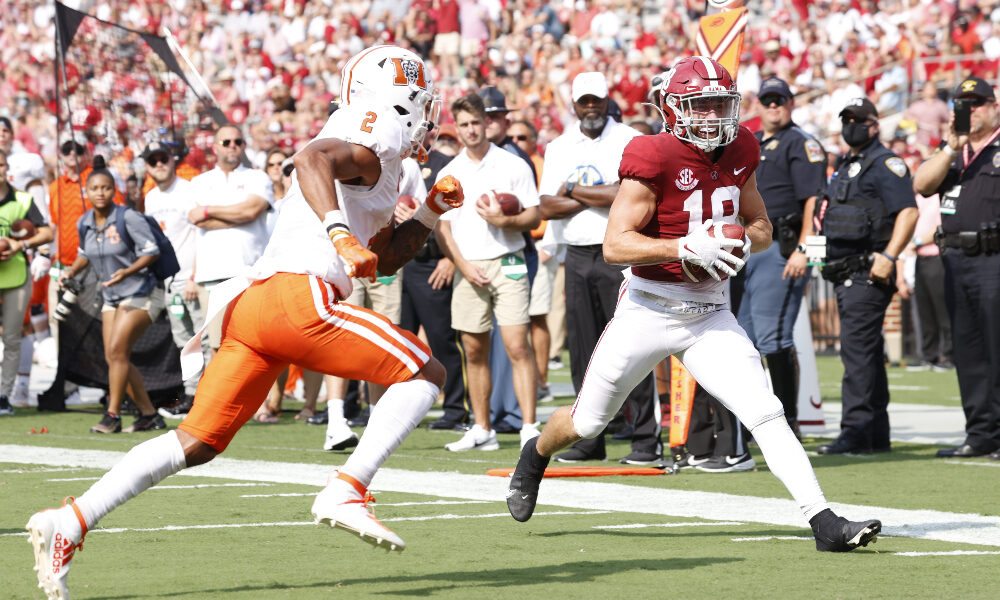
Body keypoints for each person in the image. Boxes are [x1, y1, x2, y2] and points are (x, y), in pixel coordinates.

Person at [27, 46, 464, 599]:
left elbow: (388, 258)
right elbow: (310, 160)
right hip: (296, 297)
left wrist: (429, 212)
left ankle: (69, 521)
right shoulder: (369, 135)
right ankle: (348, 487)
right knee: (426, 373)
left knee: (197, 442)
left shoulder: (388, 162)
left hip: (257, 307)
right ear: (394, 100)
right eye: (420, 103)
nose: (426, 116)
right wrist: (337, 234)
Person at [506, 57, 882, 553]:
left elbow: (761, 225)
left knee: (766, 412)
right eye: (699, 105)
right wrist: (684, 247)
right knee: (588, 422)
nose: (710, 116)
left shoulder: (743, 145)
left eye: (719, 105)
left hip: (708, 312)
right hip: (647, 306)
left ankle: (823, 521)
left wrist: (743, 244)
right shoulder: (652, 154)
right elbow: (615, 245)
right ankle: (534, 456)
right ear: (672, 109)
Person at [538, 71, 660, 465]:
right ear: (573, 104)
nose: (590, 107)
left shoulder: (628, 139)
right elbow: (545, 206)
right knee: (583, 351)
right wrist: (599, 194)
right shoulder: (558, 145)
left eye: (596, 100)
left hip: (619, 253)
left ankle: (645, 439)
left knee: (633, 347)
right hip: (576, 253)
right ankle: (588, 436)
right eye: (584, 101)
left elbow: (626, 195)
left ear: (608, 100)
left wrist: (572, 190)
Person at [435, 92, 542, 451]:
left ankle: (529, 425)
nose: (470, 131)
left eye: (475, 123)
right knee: (473, 350)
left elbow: (534, 214)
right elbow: (443, 227)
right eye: (463, 125)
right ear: (457, 128)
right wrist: (463, 266)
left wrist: (505, 218)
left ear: (486, 123)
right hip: (469, 266)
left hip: (508, 261)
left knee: (517, 345)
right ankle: (483, 428)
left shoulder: (512, 164)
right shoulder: (450, 172)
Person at [814, 98, 917, 455]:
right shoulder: (846, 164)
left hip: (867, 271)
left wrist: (890, 256)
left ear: (875, 125)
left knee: (856, 352)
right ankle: (876, 433)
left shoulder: (885, 164)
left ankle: (855, 430)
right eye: (847, 119)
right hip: (846, 271)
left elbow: (908, 212)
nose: (851, 125)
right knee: (867, 353)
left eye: (858, 119)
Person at [736, 77, 828, 439]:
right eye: (768, 100)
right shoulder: (751, 141)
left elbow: (818, 202)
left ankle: (788, 423)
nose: (774, 106)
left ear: (791, 103)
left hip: (785, 248)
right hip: (749, 248)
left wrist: (810, 253)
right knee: (745, 339)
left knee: (775, 338)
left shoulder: (803, 144)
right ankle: (756, 422)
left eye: (781, 100)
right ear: (758, 103)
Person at [913, 77, 1000, 460]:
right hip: (957, 261)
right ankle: (980, 433)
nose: (971, 109)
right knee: (969, 351)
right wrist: (951, 146)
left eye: (978, 102)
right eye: (963, 103)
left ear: (994, 106)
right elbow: (922, 183)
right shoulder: (954, 153)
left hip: (994, 259)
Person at [59, 156, 168, 434]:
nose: (100, 193)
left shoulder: (128, 217)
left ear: (113, 190)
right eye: (94, 188)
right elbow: (84, 254)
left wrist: (127, 272)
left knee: (117, 351)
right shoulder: (84, 222)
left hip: (142, 291)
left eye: (106, 188)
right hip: (112, 297)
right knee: (114, 356)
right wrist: (70, 272)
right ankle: (149, 415)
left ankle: (113, 414)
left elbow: (151, 251)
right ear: (87, 191)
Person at [401, 124, 470, 431]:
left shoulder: (445, 164)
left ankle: (457, 409)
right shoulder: (391, 160)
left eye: (427, 128)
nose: (420, 133)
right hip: (399, 262)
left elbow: (460, 217)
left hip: (432, 261)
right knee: (398, 338)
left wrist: (449, 258)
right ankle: (396, 407)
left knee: (443, 338)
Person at [188, 124, 274, 359]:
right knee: (218, 347)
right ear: (215, 147)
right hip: (212, 272)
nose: (232, 146)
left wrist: (209, 209)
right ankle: (224, 397)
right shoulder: (199, 182)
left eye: (237, 142)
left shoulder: (258, 176)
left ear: (244, 145)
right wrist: (239, 215)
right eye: (226, 142)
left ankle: (264, 398)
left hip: (251, 272)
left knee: (257, 343)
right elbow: (198, 220)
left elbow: (252, 211)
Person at [143, 141, 202, 420]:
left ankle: (206, 396)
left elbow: (201, 234)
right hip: (169, 279)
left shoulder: (189, 190)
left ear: (172, 160)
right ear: (146, 166)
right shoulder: (151, 197)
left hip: (191, 275)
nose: (159, 164)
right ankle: (191, 394)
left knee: (202, 338)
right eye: (153, 161)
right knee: (182, 340)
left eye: (163, 158)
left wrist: (194, 276)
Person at [0, 150, 53, 416]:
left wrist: (19, 244)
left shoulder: (22, 199)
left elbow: (46, 231)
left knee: (11, 336)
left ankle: (3, 395)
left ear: (6, 169)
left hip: (15, 277)